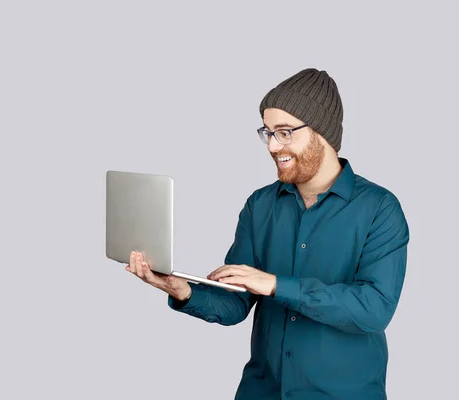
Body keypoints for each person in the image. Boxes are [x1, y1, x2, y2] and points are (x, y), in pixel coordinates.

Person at [125, 68, 409, 400]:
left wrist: (276, 285)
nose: (273, 146)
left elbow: (374, 310)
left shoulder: (379, 209)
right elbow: (234, 304)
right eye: (268, 132)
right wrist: (183, 290)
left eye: (285, 132)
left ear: (323, 133)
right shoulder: (260, 205)